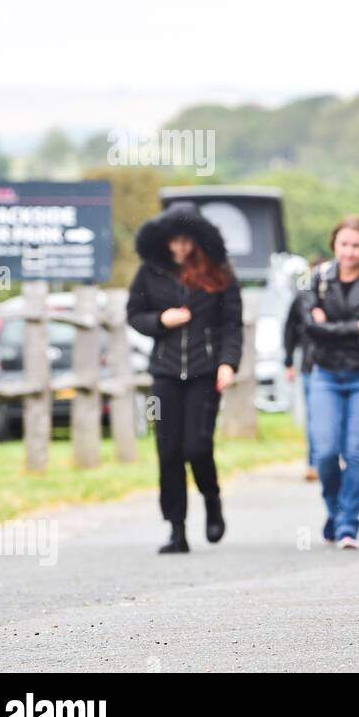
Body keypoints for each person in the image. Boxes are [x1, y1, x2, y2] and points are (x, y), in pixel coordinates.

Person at [127, 205, 243, 554]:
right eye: (173, 240)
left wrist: (228, 363)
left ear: (197, 239)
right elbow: (134, 315)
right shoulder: (150, 272)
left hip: (205, 372)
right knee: (168, 450)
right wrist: (162, 320)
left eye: (185, 240)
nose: (179, 247)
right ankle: (176, 528)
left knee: (197, 446)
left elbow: (232, 324)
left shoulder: (219, 272)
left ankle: (211, 498)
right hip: (163, 374)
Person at [301, 217, 359, 550]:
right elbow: (310, 327)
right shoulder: (318, 279)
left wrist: (334, 326)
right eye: (343, 244)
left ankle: (347, 525)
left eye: (356, 245)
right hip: (325, 374)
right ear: (334, 246)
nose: (349, 251)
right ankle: (335, 510)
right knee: (325, 453)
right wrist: (357, 327)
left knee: (354, 453)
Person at [283, 257, 324, 482]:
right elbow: (289, 330)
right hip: (310, 364)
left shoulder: (337, 297)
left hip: (337, 364)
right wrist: (288, 362)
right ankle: (314, 462)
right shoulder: (301, 298)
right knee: (313, 416)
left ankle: (329, 457)